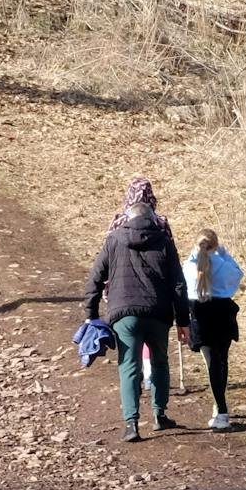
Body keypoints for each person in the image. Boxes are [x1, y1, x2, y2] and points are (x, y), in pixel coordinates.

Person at [82, 177, 192, 443]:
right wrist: (183, 321)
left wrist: (91, 315)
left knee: (129, 366)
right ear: (152, 214)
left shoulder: (114, 239)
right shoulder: (164, 239)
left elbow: (95, 277)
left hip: (124, 313)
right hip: (158, 311)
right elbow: (178, 283)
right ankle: (159, 414)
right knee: (160, 362)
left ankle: (131, 424)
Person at [188, 227, 244, 430]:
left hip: (200, 314)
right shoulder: (223, 264)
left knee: (211, 362)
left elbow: (182, 287)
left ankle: (220, 409)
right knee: (221, 360)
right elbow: (238, 274)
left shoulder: (190, 265)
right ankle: (219, 407)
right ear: (216, 245)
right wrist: (224, 254)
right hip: (223, 313)